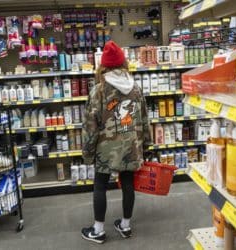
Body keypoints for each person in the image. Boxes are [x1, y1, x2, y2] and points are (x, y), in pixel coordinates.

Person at [81, 41, 151, 244]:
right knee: (128, 182)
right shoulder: (136, 89)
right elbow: (144, 120)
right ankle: (126, 225)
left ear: (103, 66)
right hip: (131, 146)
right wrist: (145, 145)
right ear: (123, 64)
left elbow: (90, 127)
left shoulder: (99, 91)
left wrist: (87, 153)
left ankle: (98, 230)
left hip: (106, 148)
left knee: (100, 185)